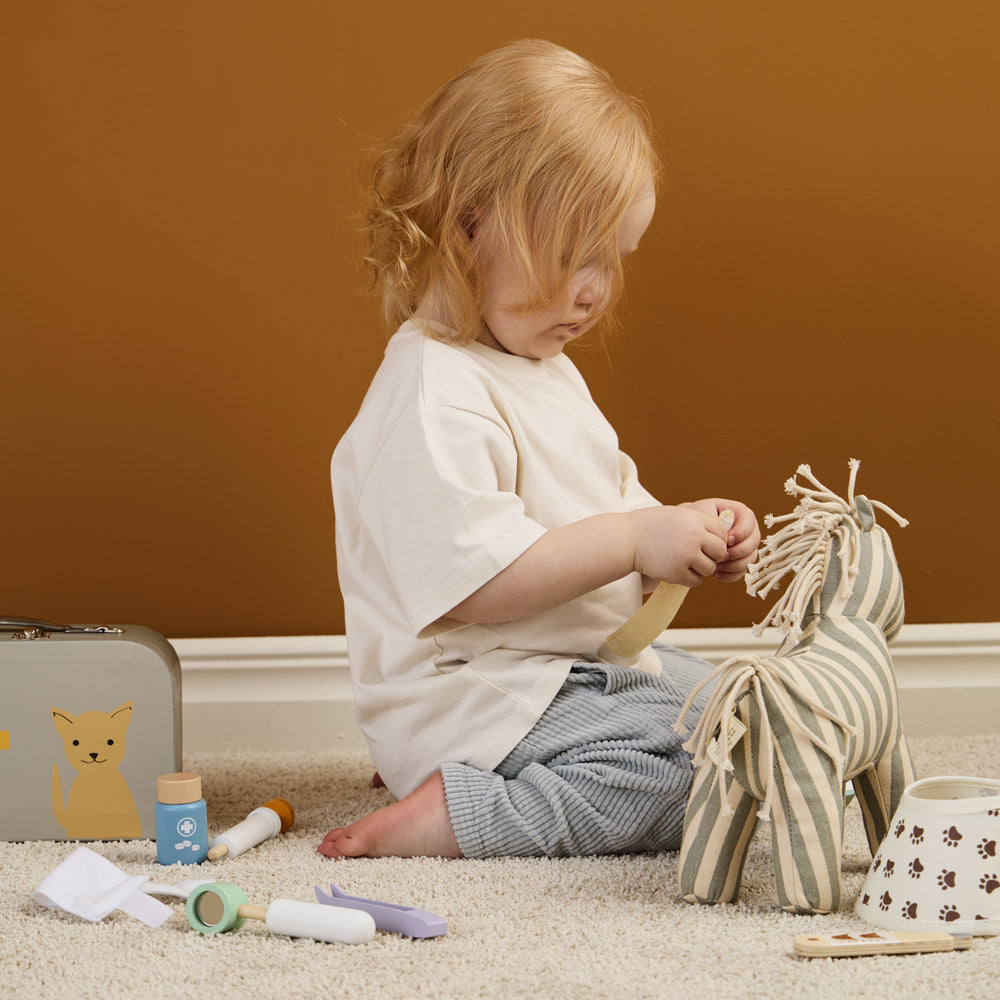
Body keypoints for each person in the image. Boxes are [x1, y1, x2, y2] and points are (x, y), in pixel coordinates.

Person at [319, 39, 760, 860]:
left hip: (561, 672)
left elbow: (603, 503)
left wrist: (680, 534)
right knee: (707, 775)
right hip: (474, 695)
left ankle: (484, 774)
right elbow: (478, 586)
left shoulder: (540, 370)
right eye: (574, 253)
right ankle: (462, 812)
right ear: (470, 218)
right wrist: (633, 540)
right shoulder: (431, 390)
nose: (595, 289)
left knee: (753, 715)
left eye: (611, 261)